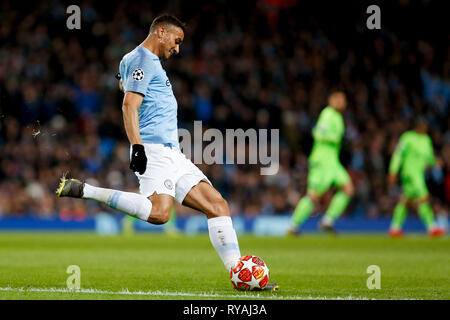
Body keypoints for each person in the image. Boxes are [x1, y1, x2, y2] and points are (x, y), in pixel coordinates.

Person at [56, 14, 277, 290]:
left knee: (218, 205)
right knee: (160, 214)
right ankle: (85, 190)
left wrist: (123, 76)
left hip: (173, 153)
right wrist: (137, 146)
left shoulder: (136, 61)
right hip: (153, 149)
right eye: (177, 40)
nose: (178, 48)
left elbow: (124, 82)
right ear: (161, 32)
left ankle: (239, 276)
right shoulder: (142, 60)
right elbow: (128, 105)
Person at [287, 91, 354, 235]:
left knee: (348, 189)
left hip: (333, 162)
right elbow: (318, 133)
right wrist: (335, 137)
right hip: (322, 160)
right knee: (314, 195)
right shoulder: (328, 113)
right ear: (332, 101)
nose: (342, 103)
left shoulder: (338, 117)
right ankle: (293, 226)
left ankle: (328, 220)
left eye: (344, 100)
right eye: (339, 100)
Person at [387, 118, 445, 237]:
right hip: (409, 173)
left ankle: (395, 227)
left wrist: (436, 162)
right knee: (423, 196)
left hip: (419, 174)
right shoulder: (407, 138)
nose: (424, 128)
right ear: (417, 126)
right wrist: (393, 170)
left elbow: (428, 157)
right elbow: (398, 154)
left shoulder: (426, 140)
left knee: (406, 201)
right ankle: (432, 227)